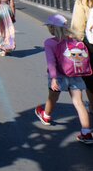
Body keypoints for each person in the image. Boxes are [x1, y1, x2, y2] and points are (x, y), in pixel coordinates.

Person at [35, 14, 93, 144]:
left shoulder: (50, 42)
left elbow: (51, 62)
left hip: (59, 75)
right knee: (79, 102)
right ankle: (87, 132)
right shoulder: (74, 40)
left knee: (52, 97)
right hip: (75, 74)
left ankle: (46, 115)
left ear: (51, 28)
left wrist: (54, 78)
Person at [70, 0, 93, 107]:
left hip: (90, 45)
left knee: (90, 79)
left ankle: (92, 105)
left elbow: (77, 28)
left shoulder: (83, 1)